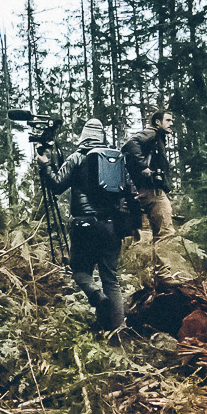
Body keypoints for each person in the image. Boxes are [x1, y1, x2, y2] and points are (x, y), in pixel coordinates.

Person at [42, 119, 137, 332]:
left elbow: (57, 185)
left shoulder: (77, 157)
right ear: (101, 136)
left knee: (80, 271)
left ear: (83, 136)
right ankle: (118, 328)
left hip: (83, 225)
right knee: (111, 279)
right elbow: (131, 193)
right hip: (111, 227)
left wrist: (45, 164)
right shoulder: (116, 160)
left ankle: (96, 295)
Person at [123, 109, 176, 243]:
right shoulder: (152, 133)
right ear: (158, 122)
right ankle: (166, 264)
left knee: (153, 235)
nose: (171, 123)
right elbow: (131, 143)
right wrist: (143, 166)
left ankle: (156, 264)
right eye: (168, 120)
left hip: (147, 189)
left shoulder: (156, 137)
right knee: (166, 235)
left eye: (172, 120)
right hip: (153, 190)